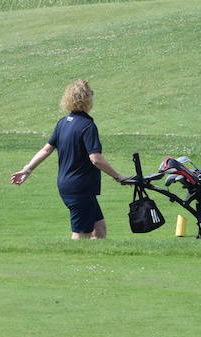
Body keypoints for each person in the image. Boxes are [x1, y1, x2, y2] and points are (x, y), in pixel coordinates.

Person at [11, 79, 125, 239]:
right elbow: (95, 158)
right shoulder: (87, 125)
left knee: (99, 229)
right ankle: (76, 262)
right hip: (80, 188)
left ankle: (96, 261)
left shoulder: (63, 123)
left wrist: (27, 169)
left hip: (70, 185)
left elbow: (46, 149)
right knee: (81, 233)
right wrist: (118, 176)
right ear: (86, 99)